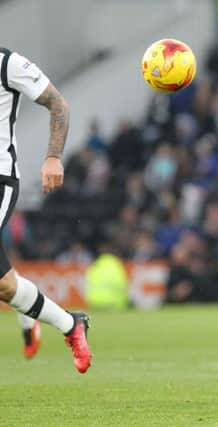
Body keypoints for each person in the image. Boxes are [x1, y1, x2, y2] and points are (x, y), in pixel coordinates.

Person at [0, 47, 91, 372]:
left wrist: (53, 156)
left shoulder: (7, 63)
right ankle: (70, 324)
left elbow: (58, 103)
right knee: (5, 285)